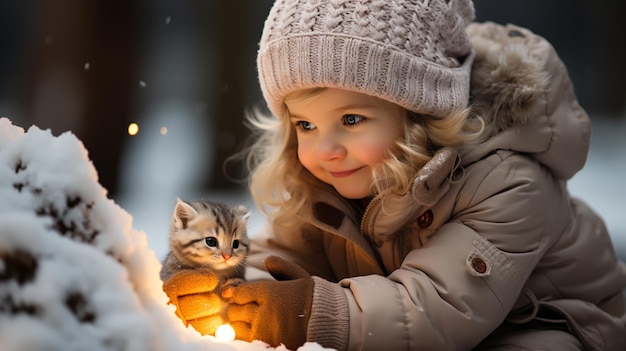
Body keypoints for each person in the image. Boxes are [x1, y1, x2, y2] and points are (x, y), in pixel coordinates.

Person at [162, 0, 626, 350]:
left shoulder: (507, 182)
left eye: (350, 120)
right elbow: (284, 254)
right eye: (306, 124)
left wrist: (308, 311)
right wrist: (229, 289)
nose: (325, 149)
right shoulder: (328, 179)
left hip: (552, 325)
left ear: (420, 114)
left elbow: (438, 309)